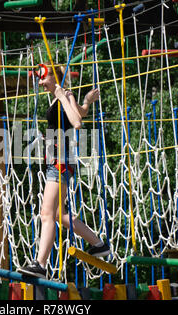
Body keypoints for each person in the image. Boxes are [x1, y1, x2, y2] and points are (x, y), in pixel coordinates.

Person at [17, 64, 110, 279]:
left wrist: (61, 96)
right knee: (59, 214)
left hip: (60, 162)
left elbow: (77, 123)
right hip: (58, 160)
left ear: (54, 77)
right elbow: (80, 113)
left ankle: (40, 264)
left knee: (47, 214)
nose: (40, 83)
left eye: (43, 78)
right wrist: (86, 101)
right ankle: (98, 244)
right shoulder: (60, 96)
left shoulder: (63, 95)